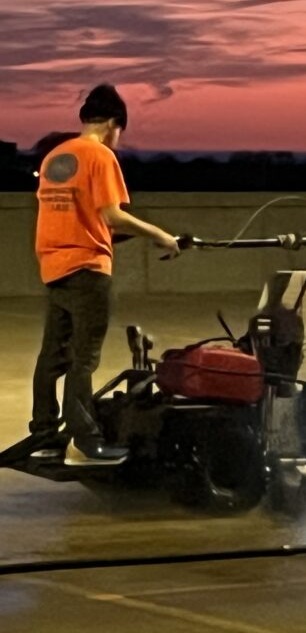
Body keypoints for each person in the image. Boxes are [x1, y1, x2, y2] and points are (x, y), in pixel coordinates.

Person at [29, 84, 181, 465]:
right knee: (84, 359)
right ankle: (87, 439)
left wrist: (118, 238)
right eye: (120, 132)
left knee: (52, 357)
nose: (118, 139)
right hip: (87, 270)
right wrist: (161, 235)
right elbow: (112, 215)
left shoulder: (55, 157)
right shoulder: (100, 156)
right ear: (114, 123)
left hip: (54, 266)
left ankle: (45, 435)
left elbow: (78, 218)